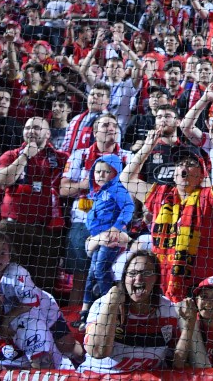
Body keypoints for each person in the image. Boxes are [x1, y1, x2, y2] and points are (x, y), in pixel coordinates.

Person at [122, 136, 213, 302]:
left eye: (191, 164)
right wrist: (149, 145)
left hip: (199, 288)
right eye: (179, 164)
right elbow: (126, 178)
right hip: (162, 285)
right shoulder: (161, 194)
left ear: (201, 175)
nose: (183, 167)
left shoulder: (207, 197)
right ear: (174, 175)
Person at [0, 230, 82, 366]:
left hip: (44, 309)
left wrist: (5, 321)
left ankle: (85, 363)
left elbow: (29, 304)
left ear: (9, 256)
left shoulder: (17, 273)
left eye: (2, 253)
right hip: (18, 320)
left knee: (67, 346)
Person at [80, 251, 195, 373]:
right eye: (132, 273)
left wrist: (189, 325)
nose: (139, 278)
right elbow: (98, 351)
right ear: (124, 278)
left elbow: (176, 363)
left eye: (146, 273)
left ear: (156, 278)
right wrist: (112, 301)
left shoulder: (167, 310)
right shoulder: (102, 304)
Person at [60, 113, 128, 312]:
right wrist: (89, 184)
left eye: (115, 125)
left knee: (108, 273)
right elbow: (63, 189)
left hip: (114, 225)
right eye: (106, 125)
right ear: (95, 132)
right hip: (82, 221)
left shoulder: (127, 157)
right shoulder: (79, 156)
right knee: (80, 276)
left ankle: (111, 317)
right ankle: (76, 318)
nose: (111, 128)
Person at [0, 117, 66, 293]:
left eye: (37, 128)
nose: (31, 131)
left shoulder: (61, 158)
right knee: (7, 279)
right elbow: (0, 181)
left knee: (43, 284)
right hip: (13, 228)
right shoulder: (12, 155)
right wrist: (25, 156)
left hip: (47, 231)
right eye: (27, 128)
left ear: (48, 133)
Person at [81, 153, 135, 321]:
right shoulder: (99, 193)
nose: (101, 175)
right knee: (91, 273)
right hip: (99, 239)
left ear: (115, 173)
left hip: (112, 240)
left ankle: (110, 307)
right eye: (97, 172)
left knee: (100, 270)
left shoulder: (117, 189)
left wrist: (116, 228)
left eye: (106, 172)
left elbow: (128, 206)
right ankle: (86, 311)